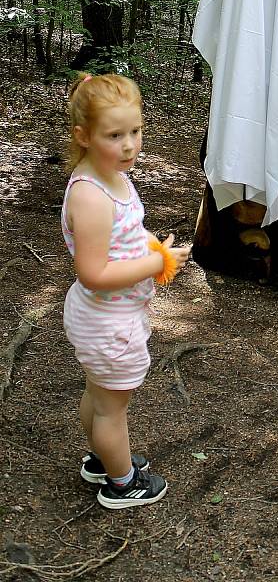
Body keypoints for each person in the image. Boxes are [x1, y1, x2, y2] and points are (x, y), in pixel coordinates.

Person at [61, 73, 190, 509]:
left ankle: (102, 458)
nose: (129, 144)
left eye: (135, 131)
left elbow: (126, 231)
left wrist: (153, 246)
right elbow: (94, 271)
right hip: (107, 321)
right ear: (84, 136)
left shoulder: (111, 174)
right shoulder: (91, 196)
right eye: (115, 135)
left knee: (100, 395)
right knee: (112, 408)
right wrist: (158, 264)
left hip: (110, 317)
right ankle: (122, 483)